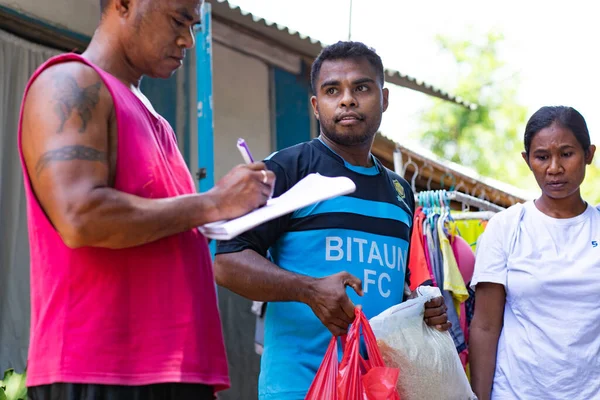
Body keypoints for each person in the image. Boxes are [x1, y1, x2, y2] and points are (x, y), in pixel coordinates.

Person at [18, 0, 276, 399]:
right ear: (123, 4)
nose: (187, 39)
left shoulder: (157, 121)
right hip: (99, 372)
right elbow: (80, 214)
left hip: (173, 374)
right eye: (178, 20)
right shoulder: (71, 82)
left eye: (192, 25)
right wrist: (213, 203)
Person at [214, 41, 450, 400]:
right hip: (300, 387)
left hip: (377, 388)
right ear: (316, 105)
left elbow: (393, 287)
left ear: (384, 99)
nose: (347, 100)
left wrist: (421, 308)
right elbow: (226, 261)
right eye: (332, 90)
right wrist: (308, 290)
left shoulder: (401, 193)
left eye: (361, 88)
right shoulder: (288, 170)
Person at [469, 106, 600, 399]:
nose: (554, 168)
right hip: (517, 392)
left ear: (589, 154)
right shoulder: (506, 226)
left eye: (567, 154)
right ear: (527, 160)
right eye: (542, 157)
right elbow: (486, 326)